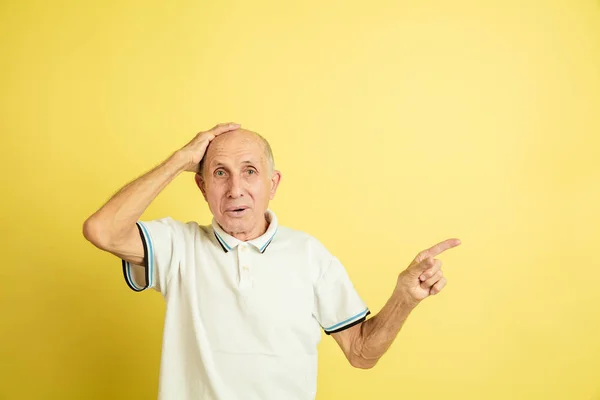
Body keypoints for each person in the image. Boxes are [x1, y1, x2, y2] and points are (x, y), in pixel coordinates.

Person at [83, 122, 461, 400]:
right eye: (219, 173)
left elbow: (361, 353)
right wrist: (180, 159)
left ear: (273, 184)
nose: (235, 189)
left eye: (250, 171)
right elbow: (103, 230)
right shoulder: (177, 246)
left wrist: (404, 299)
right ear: (201, 187)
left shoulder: (310, 255)